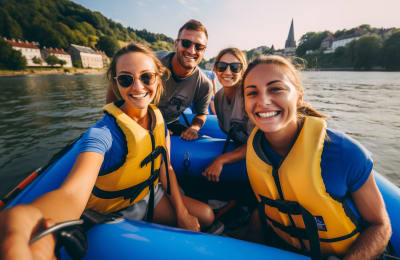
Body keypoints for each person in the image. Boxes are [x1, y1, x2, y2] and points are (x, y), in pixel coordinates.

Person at [0, 43, 214, 260]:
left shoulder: (158, 119)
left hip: (148, 194)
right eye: (126, 79)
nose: (138, 87)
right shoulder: (102, 135)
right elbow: (72, 195)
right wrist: (28, 218)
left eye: (146, 77)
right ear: (116, 84)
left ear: (158, 78)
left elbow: (165, 167)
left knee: (206, 215)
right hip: (114, 210)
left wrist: (182, 212)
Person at [242, 55, 391, 260]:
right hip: (284, 246)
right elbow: (267, 207)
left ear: (299, 97)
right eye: (252, 93)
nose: (263, 101)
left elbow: (380, 226)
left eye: (276, 89)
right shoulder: (255, 149)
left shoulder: (344, 154)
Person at [106, 19, 213, 141]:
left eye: (199, 47)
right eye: (186, 43)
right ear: (176, 44)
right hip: (135, 118)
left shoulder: (204, 84)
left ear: (204, 51)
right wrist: (112, 118)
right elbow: (117, 80)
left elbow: (202, 113)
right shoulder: (153, 62)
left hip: (170, 122)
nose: (191, 51)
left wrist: (194, 128)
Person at [202, 48, 253, 182]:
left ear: (243, 70)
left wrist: (221, 160)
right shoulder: (219, 98)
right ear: (215, 69)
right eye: (222, 66)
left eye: (235, 67)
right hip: (240, 148)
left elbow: (261, 141)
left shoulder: (250, 97)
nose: (227, 72)